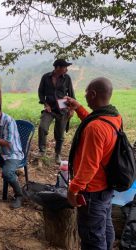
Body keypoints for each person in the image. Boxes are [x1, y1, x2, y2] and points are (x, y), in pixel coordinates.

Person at [66, 77, 120, 249]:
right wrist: (79, 107)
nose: (85, 95)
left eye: (86, 92)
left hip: (92, 193)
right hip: (106, 187)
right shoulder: (113, 116)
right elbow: (95, 122)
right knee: (105, 228)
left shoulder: (95, 127)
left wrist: (73, 189)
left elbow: (89, 166)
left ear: (93, 94)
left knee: (92, 240)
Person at [37, 59, 75, 164]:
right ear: (58, 68)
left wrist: (71, 109)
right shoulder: (46, 77)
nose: (66, 70)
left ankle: (57, 154)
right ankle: (42, 151)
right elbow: (40, 92)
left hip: (63, 109)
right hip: (49, 108)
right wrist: (45, 104)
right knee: (42, 127)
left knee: (60, 135)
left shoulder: (67, 78)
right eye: (65, 67)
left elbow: (71, 94)